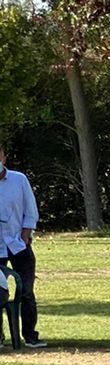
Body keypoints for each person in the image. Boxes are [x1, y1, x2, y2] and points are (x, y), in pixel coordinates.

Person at [0, 144, 43, 348]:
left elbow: (30, 210)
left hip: (18, 243)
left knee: (26, 291)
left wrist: (26, 234)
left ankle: (30, 336)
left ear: (4, 158)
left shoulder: (19, 180)